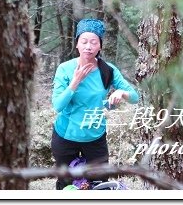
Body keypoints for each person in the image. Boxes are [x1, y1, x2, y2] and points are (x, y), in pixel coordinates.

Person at [51, 18, 139, 189]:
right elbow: (58, 106)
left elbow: (135, 97)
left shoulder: (108, 70)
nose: (88, 46)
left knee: (99, 185)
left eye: (93, 42)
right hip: (66, 136)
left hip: (95, 137)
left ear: (100, 46)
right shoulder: (65, 69)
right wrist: (75, 82)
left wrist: (122, 93)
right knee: (68, 187)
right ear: (77, 44)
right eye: (84, 42)